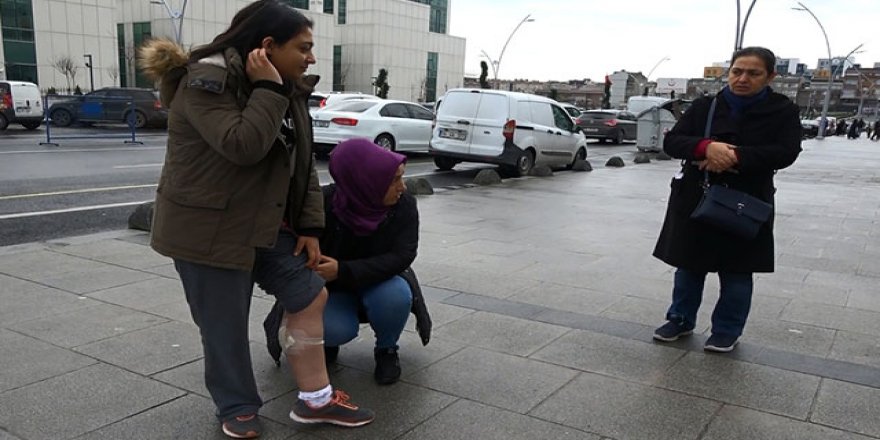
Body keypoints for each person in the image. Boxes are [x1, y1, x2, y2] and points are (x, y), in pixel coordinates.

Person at [139, 1, 373, 437]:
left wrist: (310, 227)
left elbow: (302, 163)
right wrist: (268, 89)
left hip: (266, 224)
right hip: (208, 229)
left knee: (309, 294)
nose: (311, 58)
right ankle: (237, 406)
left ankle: (316, 401)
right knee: (224, 326)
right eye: (303, 47)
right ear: (268, 46)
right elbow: (242, 145)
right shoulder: (205, 82)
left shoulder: (287, 88)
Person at [652, 46, 802, 353]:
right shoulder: (705, 106)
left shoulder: (782, 110)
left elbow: (786, 152)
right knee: (688, 266)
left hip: (747, 200)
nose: (743, 79)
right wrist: (706, 147)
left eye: (753, 73)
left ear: (770, 76)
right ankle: (680, 319)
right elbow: (673, 142)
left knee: (737, 271)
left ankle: (726, 330)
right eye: (737, 71)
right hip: (698, 195)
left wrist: (735, 156)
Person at [317, 138, 431, 385]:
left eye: (402, 177)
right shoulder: (323, 204)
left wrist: (343, 270)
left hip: (379, 281)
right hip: (331, 288)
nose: (402, 187)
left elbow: (403, 255)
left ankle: (387, 349)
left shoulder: (404, 206)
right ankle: (327, 343)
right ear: (364, 181)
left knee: (396, 295)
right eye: (394, 180)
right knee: (334, 328)